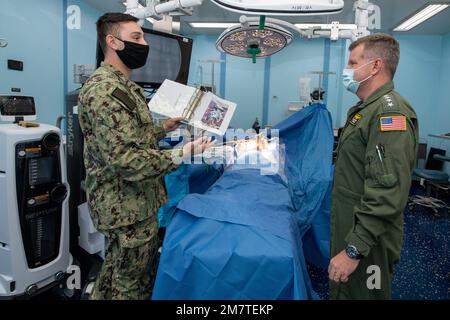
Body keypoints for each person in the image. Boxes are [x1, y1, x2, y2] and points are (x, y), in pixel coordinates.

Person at [78, 12, 211, 300]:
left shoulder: (123, 86)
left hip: (137, 203)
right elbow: (126, 160)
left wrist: (163, 127)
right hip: (124, 207)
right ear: (112, 42)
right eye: (136, 37)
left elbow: (129, 137)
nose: (145, 43)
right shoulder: (104, 91)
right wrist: (182, 153)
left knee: (117, 271)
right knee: (128, 283)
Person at [328, 33, 419, 299]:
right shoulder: (365, 110)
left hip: (370, 243)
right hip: (353, 227)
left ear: (376, 66)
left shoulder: (389, 114)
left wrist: (354, 249)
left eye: (353, 63)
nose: (347, 70)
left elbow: (387, 193)